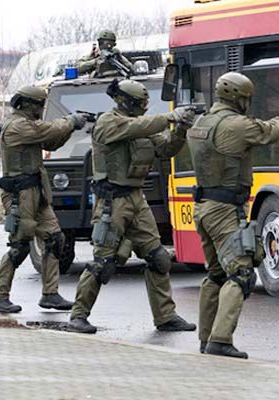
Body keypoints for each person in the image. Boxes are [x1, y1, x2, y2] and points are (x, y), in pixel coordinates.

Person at [187, 72, 279, 359]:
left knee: (216, 274)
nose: (247, 103)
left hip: (203, 207)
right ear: (237, 97)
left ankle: (206, 339)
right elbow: (269, 130)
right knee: (241, 274)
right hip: (224, 210)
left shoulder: (200, 122)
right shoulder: (235, 125)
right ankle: (220, 339)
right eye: (246, 98)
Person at [67, 79, 196, 334]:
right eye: (141, 103)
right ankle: (78, 316)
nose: (145, 107)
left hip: (136, 198)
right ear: (125, 101)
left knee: (158, 258)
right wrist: (169, 116)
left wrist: (181, 128)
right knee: (102, 262)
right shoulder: (108, 122)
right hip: (112, 201)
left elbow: (167, 148)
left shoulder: (142, 124)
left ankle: (165, 316)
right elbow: (134, 127)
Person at [0, 86, 87, 313]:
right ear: (30, 105)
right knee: (19, 246)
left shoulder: (29, 124)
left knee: (55, 239)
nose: (42, 109)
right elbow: (48, 130)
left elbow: (50, 142)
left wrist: (71, 127)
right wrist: (70, 121)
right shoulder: (17, 125)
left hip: (36, 192)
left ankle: (50, 294)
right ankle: (0, 296)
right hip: (20, 195)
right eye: (40, 105)